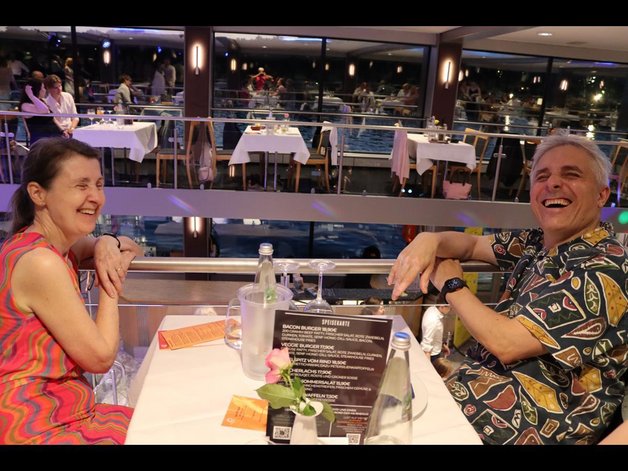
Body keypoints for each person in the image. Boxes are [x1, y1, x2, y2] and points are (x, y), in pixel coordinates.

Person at [388, 134, 627, 444]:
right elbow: (471, 244)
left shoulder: (606, 266)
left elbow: (507, 343)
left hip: (516, 431)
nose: (553, 183)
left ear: (601, 195)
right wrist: (428, 240)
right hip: (465, 401)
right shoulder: (537, 242)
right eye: (542, 176)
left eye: (571, 175)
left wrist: (452, 285)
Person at [0, 137, 144, 444]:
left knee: (159, 421)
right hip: (33, 421)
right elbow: (101, 358)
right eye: (81, 186)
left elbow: (133, 247)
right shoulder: (41, 262)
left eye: (99, 185)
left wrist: (107, 243)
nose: (96, 197)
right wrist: (110, 276)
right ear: (38, 194)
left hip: (67, 408)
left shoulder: (47, 245)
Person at [19, 78, 63, 145]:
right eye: (42, 88)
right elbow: (44, 110)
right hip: (40, 139)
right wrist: (31, 96)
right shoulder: (25, 105)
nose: (44, 90)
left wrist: (62, 130)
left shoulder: (42, 101)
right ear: (37, 90)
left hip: (53, 136)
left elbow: (52, 118)